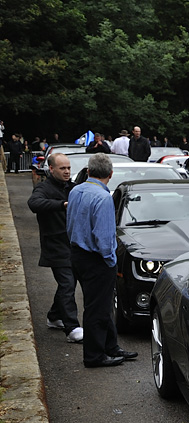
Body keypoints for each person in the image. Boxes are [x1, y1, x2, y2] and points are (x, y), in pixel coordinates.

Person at [66, 154, 137, 367]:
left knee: (101, 304)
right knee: (97, 308)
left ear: (88, 172)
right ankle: (94, 356)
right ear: (111, 174)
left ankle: (110, 346)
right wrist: (110, 261)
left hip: (78, 254)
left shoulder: (76, 190)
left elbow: (70, 224)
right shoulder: (103, 197)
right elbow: (104, 237)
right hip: (96, 258)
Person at [28, 153, 83, 343]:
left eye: (68, 168)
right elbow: (33, 204)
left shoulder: (73, 188)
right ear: (51, 169)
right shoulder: (43, 188)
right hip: (55, 245)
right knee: (67, 284)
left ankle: (54, 316)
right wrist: (62, 205)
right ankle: (72, 328)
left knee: (69, 283)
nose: (67, 171)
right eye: (62, 168)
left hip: (73, 245)